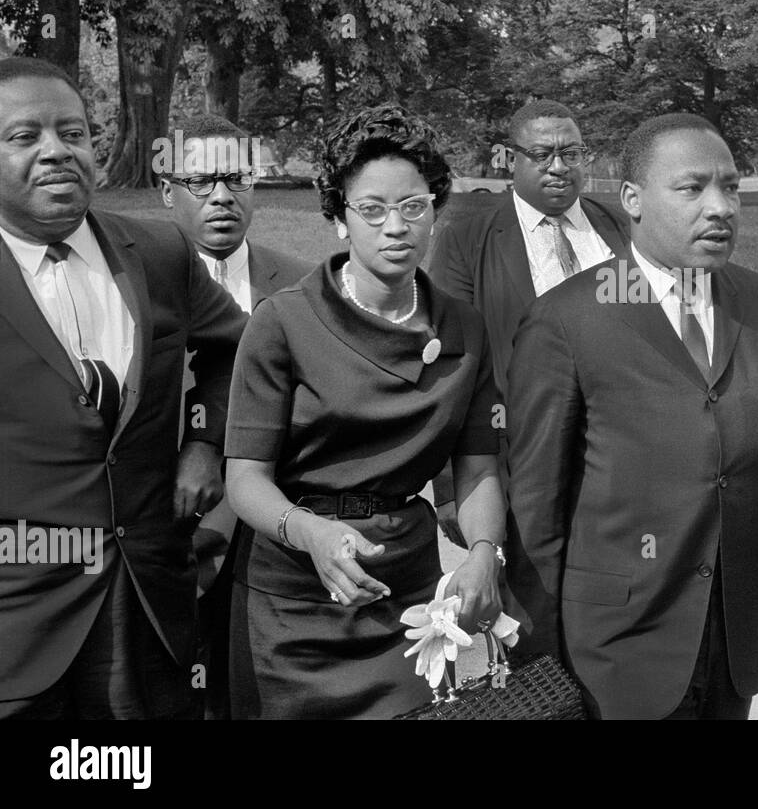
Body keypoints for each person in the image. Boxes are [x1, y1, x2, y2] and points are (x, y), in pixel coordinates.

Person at [505, 112, 758, 720]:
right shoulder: (565, 322)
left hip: (733, 644)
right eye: (693, 188)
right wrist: (538, 663)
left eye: (730, 186)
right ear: (632, 199)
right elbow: (536, 504)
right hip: (612, 655)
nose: (721, 206)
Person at [223, 104, 505, 719]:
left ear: (434, 210)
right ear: (338, 220)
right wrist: (312, 533)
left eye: (413, 206)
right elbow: (244, 478)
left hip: (405, 599)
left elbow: (476, 468)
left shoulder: (465, 327)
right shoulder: (284, 322)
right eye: (372, 210)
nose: (395, 227)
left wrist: (485, 551)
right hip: (295, 600)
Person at [0, 56, 246, 718]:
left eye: (73, 133)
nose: (56, 151)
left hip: (149, 609)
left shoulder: (159, 254)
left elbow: (245, 351)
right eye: (24, 137)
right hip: (17, 629)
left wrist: (204, 440)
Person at [159, 112, 311, 719]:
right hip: (166, 519)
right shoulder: (132, 277)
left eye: (236, 178)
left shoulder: (305, 285)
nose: (221, 196)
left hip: (274, 535)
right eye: (200, 182)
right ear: (167, 190)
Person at [428, 100, 628, 543]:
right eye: (541, 156)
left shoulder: (622, 230)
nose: (558, 167)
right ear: (511, 159)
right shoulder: (466, 240)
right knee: (520, 606)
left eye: (571, 154)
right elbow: (447, 364)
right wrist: (447, 485)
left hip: (619, 465)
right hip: (514, 463)